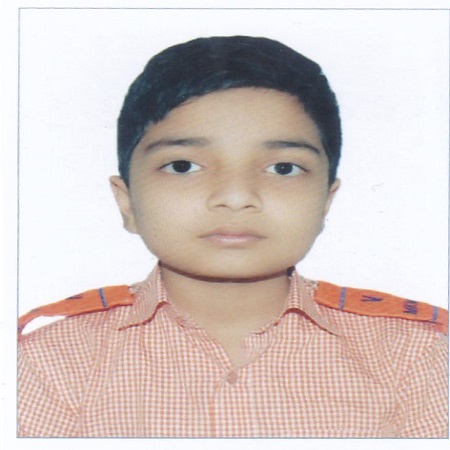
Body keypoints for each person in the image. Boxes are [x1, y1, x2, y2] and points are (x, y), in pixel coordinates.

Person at [17, 36, 448, 438]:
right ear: (127, 201)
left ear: (325, 201)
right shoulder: (47, 363)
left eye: (283, 168)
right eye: (183, 166)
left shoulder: (416, 356)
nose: (236, 196)